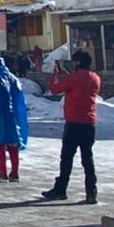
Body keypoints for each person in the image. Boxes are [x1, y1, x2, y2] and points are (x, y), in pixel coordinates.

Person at [41, 49, 101, 204]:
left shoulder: (74, 78)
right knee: (87, 158)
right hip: (89, 123)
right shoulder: (95, 78)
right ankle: (91, 192)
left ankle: (61, 189)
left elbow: (55, 89)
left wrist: (55, 75)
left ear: (78, 62)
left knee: (67, 158)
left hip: (74, 122)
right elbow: (80, 84)